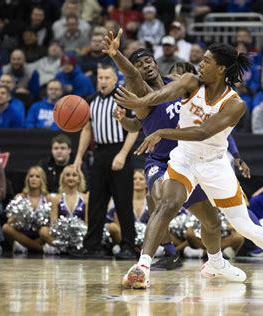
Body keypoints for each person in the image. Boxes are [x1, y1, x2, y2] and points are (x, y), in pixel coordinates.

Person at [115, 42, 263, 289]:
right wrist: (139, 101)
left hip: (214, 164)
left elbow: (204, 131)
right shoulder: (190, 82)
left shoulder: (235, 104)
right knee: (168, 202)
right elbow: (162, 95)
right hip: (183, 158)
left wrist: (162, 132)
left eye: (206, 61)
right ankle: (142, 266)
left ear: (221, 69)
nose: (200, 64)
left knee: (242, 224)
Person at [105, 30, 250, 275]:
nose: (144, 67)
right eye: (139, 65)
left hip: (190, 160)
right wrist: (116, 54)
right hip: (161, 161)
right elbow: (135, 119)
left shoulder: (177, 82)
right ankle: (148, 263)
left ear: (155, 61)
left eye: (147, 61)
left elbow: (213, 120)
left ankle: (216, 263)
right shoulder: (141, 91)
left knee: (212, 221)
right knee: (164, 201)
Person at [73, 63, 138, 260]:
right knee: (96, 201)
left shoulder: (124, 99)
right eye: (100, 78)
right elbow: (86, 130)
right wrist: (78, 157)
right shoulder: (90, 101)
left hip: (120, 151)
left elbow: (135, 128)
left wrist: (123, 154)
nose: (103, 81)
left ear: (115, 79)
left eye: (107, 78)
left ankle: (128, 246)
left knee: (123, 202)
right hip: (99, 153)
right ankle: (92, 245)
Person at [2, 166, 54, 253]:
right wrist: (14, 220)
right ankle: (40, 249)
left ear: (42, 180)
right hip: (23, 234)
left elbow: (53, 221)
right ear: (27, 179)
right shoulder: (20, 197)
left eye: (37, 177)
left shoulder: (48, 198)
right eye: (31, 176)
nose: (34, 179)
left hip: (40, 235)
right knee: (6, 228)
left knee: (45, 231)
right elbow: (10, 220)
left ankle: (28, 248)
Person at [39, 164, 88, 254]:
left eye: (74, 175)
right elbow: (53, 223)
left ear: (79, 179)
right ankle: (66, 248)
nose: (71, 178)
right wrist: (61, 233)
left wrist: (80, 232)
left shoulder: (85, 198)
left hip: (80, 236)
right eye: (67, 175)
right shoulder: (57, 199)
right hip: (61, 236)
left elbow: (87, 222)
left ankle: (69, 248)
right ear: (63, 178)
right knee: (43, 231)